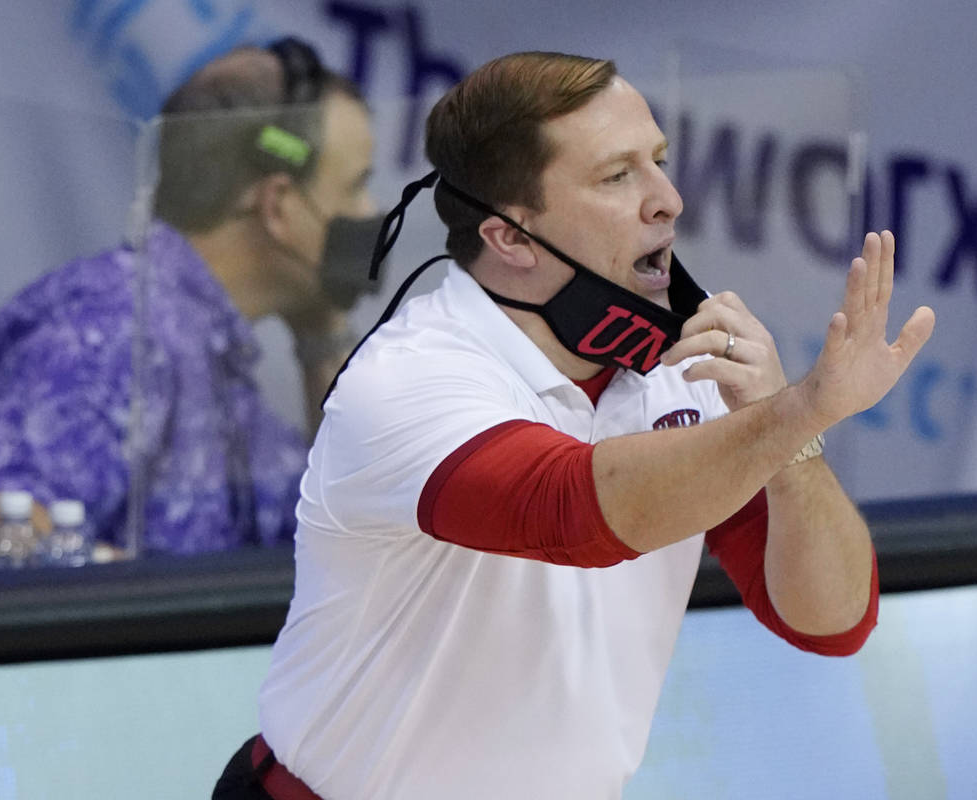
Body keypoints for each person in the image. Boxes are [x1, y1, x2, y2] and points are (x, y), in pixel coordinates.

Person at [214, 52, 936, 799]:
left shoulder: (686, 370)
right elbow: (571, 512)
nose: (669, 200)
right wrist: (798, 411)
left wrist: (788, 441)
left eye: (658, 161)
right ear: (511, 237)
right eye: (617, 176)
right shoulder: (406, 378)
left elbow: (831, 622)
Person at [0, 37, 379, 570]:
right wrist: (153, 606)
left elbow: (349, 544)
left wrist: (322, 334)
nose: (372, 211)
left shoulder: (210, 360)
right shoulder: (119, 327)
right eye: (356, 186)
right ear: (279, 205)